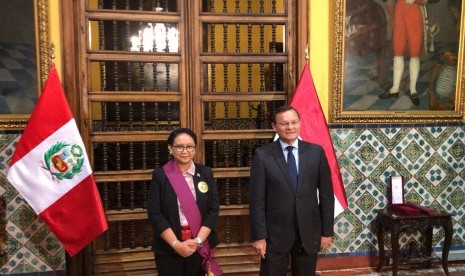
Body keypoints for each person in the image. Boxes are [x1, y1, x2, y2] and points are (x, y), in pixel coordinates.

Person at [249, 105, 335, 276]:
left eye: (294, 122)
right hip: (274, 234)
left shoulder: (316, 152)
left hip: (308, 231)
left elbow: (326, 195)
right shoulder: (262, 155)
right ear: (274, 126)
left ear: (300, 123)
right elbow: (256, 200)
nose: (290, 127)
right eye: (284, 123)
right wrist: (259, 236)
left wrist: (326, 231)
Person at [147, 128, 221, 276]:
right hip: (170, 247)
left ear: (194, 148)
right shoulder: (160, 176)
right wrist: (176, 244)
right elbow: (155, 213)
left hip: (200, 245)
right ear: (170, 148)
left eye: (189, 146)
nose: (185, 151)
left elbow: (213, 209)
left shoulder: (205, 173)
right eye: (179, 147)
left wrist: (198, 240)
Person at [379, 0, 429, 106]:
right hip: (399, 13)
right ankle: (395, 89)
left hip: (414, 14)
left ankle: (413, 90)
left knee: (414, 54)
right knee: (398, 52)